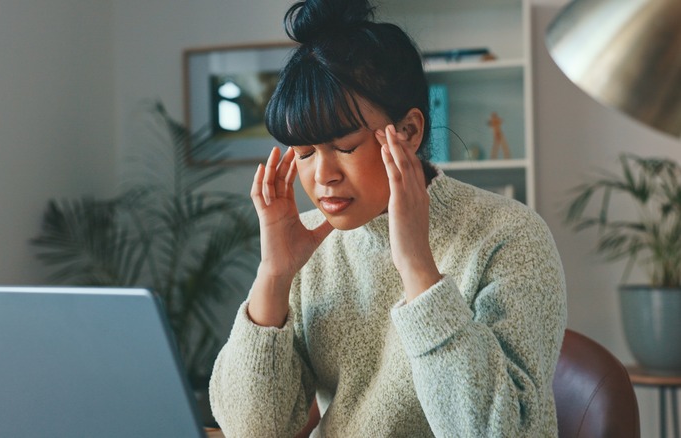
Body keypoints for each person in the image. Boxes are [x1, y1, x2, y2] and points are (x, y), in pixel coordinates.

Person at [209, 0, 567, 436]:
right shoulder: (310, 246)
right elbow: (252, 430)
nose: (323, 176)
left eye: (344, 147)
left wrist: (417, 266)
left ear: (409, 132)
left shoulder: (509, 236)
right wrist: (275, 275)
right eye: (304, 153)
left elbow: (498, 431)